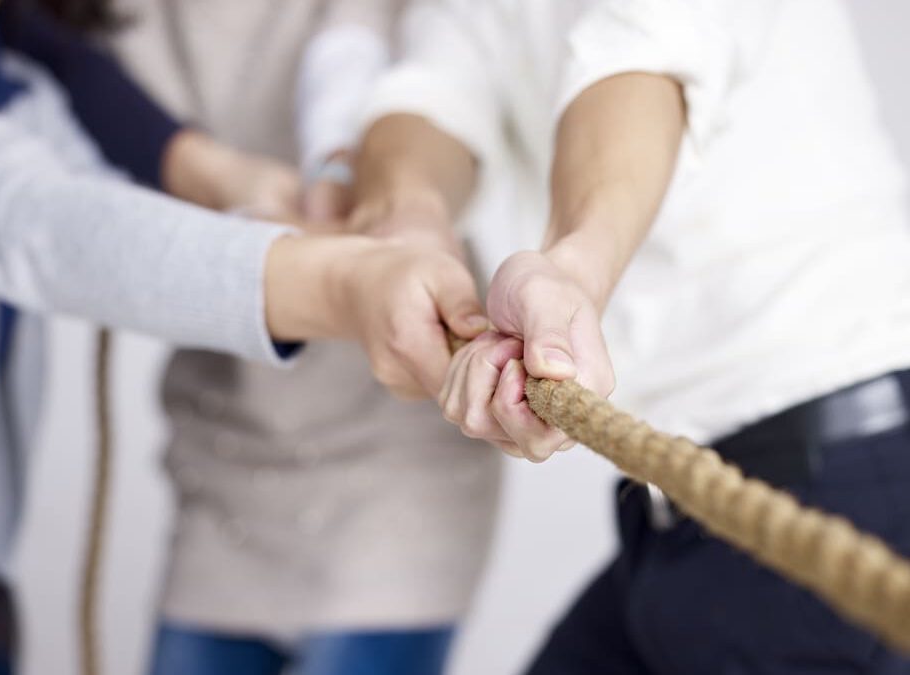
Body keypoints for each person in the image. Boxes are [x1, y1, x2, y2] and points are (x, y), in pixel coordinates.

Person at [0, 0, 487, 672]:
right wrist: (338, 284)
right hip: (209, 480)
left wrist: (260, 194)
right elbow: (35, 223)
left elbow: (101, 197)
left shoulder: (18, 73)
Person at [353, 0, 910, 672]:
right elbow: (429, 93)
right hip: (677, 513)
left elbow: (646, 50)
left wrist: (570, 272)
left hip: (844, 474)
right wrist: (409, 227)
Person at [106, 2, 501, 673]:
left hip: (393, 460)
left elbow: (358, 51)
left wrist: (337, 170)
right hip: (225, 452)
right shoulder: (96, 23)